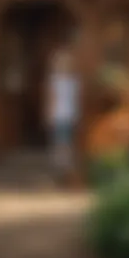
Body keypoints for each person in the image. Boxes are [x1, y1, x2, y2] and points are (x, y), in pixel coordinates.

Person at [45, 48, 80, 183]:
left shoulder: (71, 81)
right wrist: (50, 114)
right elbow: (52, 99)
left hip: (67, 114)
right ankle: (61, 167)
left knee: (65, 141)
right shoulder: (56, 80)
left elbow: (74, 99)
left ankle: (64, 168)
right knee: (62, 141)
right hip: (61, 114)